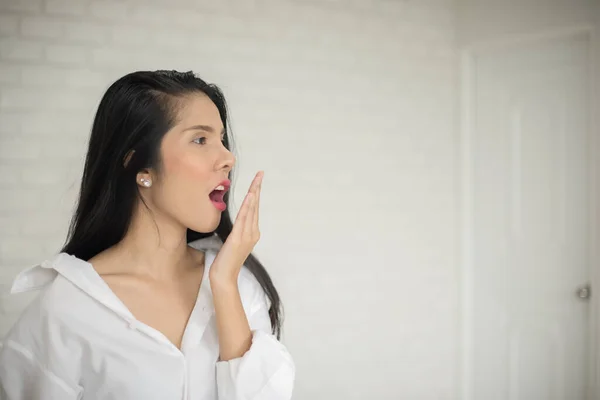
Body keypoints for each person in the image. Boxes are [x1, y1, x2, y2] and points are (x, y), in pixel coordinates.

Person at [0, 70, 295, 399]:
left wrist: (224, 283)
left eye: (222, 140)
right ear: (140, 168)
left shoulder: (240, 286)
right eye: (201, 139)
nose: (228, 158)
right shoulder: (65, 309)